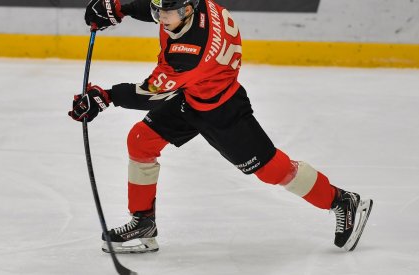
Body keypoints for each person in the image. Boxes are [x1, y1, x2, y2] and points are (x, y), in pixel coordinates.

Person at [69, 0, 373, 254]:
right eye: (157, 11)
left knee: (273, 171)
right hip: (194, 94)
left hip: (222, 110)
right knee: (141, 140)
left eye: (168, 13)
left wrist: (105, 97)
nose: (161, 18)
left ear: (187, 11)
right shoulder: (190, 7)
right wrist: (118, 7)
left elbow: (151, 93)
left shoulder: (189, 51)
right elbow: (160, 6)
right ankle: (143, 222)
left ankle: (342, 200)